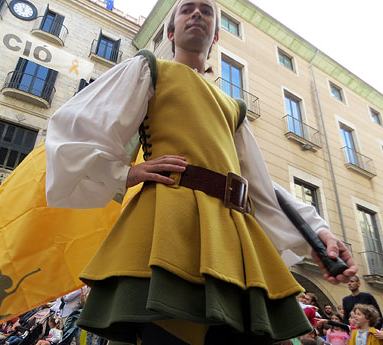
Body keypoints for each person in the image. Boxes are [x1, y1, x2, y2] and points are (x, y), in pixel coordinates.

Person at [45, 0, 357, 344]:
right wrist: (125, 173)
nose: (197, 14)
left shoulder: (233, 107)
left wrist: (318, 233)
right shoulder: (149, 68)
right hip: (167, 230)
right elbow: (74, 126)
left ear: (217, 35)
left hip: (230, 237)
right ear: (170, 31)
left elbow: (261, 188)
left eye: (207, 10)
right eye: (187, 9)